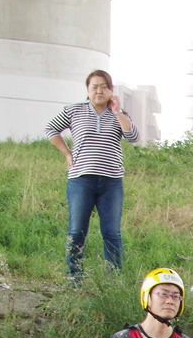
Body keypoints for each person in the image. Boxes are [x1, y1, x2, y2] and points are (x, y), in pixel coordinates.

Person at [46, 69, 138, 279]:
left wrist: (117, 111)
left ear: (111, 90)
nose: (99, 91)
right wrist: (66, 153)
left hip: (111, 182)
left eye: (103, 86)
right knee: (77, 230)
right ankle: (74, 276)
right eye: (94, 87)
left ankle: (114, 279)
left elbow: (133, 136)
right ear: (87, 90)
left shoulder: (119, 115)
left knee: (111, 232)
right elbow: (51, 129)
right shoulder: (74, 111)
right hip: (81, 180)